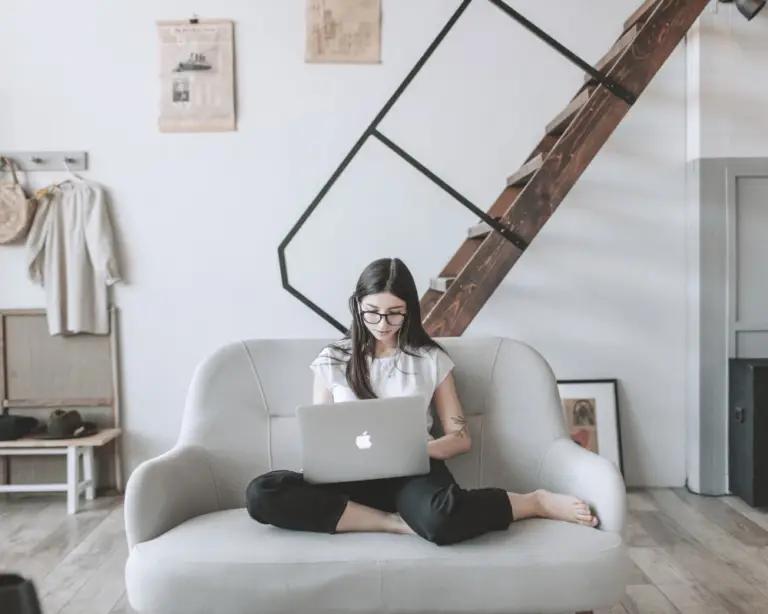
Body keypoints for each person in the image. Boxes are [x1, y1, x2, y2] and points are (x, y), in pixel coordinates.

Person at [246, 258, 598, 545]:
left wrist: (415, 450)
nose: (382, 324)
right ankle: (391, 523)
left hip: (413, 473)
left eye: (394, 313)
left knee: (440, 519)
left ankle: (533, 501)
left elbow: (460, 437)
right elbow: (320, 433)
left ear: (409, 311)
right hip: (346, 480)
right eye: (372, 312)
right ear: (357, 306)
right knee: (263, 493)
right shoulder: (332, 360)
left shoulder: (430, 360)